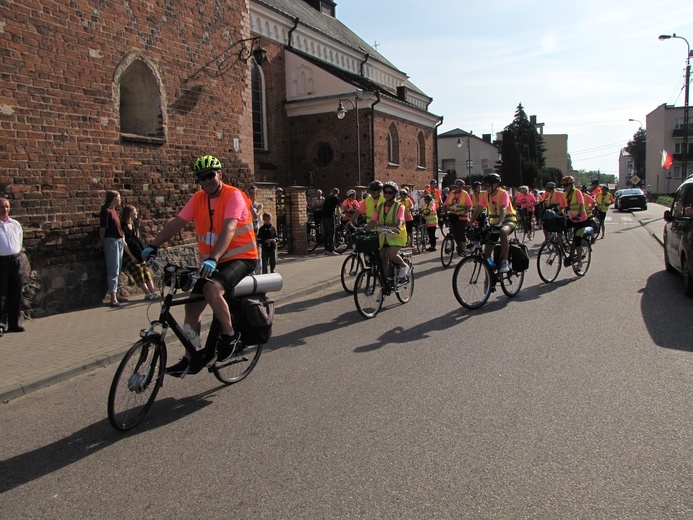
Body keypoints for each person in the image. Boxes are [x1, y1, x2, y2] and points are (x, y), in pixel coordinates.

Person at [141, 155, 258, 378]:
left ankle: (230, 335)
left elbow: (230, 228)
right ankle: (190, 358)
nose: (207, 181)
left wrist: (213, 258)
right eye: (202, 178)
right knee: (191, 307)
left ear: (219, 174)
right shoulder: (198, 199)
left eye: (210, 176)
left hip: (241, 258)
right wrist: (153, 245)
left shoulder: (234, 195)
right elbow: (177, 223)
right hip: (213, 261)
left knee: (211, 289)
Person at [469, 173, 517, 273]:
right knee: (486, 255)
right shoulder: (486, 195)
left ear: (495, 185)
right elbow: (478, 209)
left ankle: (505, 261)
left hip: (508, 220)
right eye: (485, 186)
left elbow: (503, 208)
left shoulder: (503, 193)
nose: (486, 188)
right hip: (494, 224)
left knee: (503, 232)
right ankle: (492, 271)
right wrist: (469, 223)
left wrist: (499, 223)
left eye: (488, 185)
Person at [364, 181, 408, 280]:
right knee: (382, 257)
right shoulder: (380, 206)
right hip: (384, 236)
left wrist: (398, 227)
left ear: (395, 194)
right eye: (386, 192)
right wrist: (366, 230)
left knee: (390, 254)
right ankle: (385, 280)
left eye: (390, 193)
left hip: (396, 236)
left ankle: (404, 265)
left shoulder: (399, 206)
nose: (387, 194)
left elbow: (400, 219)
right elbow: (373, 220)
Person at [120, 205, 159, 300]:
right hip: (129, 252)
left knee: (145, 270)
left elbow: (136, 237)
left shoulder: (134, 224)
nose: (136, 213)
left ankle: (153, 291)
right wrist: (131, 255)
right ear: (129, 213)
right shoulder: (122, 226)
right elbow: (123, 242)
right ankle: (147, 292)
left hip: (138, 251)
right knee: (138, 270)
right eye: (134, 211)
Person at [95, 190, 127, 307]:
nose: (120, 199)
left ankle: (116, 292)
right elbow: (103, 229)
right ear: (113, 199)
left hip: (118, 241)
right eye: (119, 197)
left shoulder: (114, 211)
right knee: (113, 268)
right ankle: (113, 296)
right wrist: (101, 241)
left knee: (118, 267)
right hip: (111, 241)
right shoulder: (106, 212)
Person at [0, 198, 25, 334]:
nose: (5, 209)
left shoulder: (15, 224)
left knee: (16, 293)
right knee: (1, 294)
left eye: (7, 207)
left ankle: (15, 323)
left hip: (16, 260)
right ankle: (1, 324)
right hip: (1, 261)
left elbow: (19, 240)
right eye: (2, 207)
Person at [559, 175, 589, 267]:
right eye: (563, 186)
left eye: (566, 185)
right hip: (571, 218)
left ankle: (579, 261)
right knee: (559, 228)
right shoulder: (564, 195)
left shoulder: (577, 192)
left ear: (572, 185)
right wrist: (557, 213)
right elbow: (561, 207)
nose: (565, 187)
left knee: (577, 240)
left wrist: (579, 215)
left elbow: (581, 205)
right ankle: (564, 244)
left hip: (581, 219)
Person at [443, 179, 473, 255]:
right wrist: (444, 212)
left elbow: (469, 205)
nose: (455, 188)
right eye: (455, 186)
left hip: (462, 217)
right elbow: (445, 204)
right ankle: (458, 245)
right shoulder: (451, 193)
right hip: (453, 215)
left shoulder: (465, 194)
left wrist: (465, 213)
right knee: (453, 231)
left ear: (461, 187)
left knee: (460, 232)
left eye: (457, 187)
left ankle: (463, 249)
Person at [248, 185, 263, 274]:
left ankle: (258, 272)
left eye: (254, 193)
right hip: (248, 231)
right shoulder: (246, 205)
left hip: (256, 231)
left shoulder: (259, 205)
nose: (252, 195)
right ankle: (251, 272)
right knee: (249, 253)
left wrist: (249, 206)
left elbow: (255, 216)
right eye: (250, 193)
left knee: (257, 253)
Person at [321, 188, 341, 255]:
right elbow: (338, 210)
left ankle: (326, 249)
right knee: (332, 234)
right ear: (337, 193)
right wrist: (339, 219)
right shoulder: (336, 199)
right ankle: (331, 250)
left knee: (326, 234)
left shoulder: (327, 197)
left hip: (323, 216)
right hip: (330, 216)